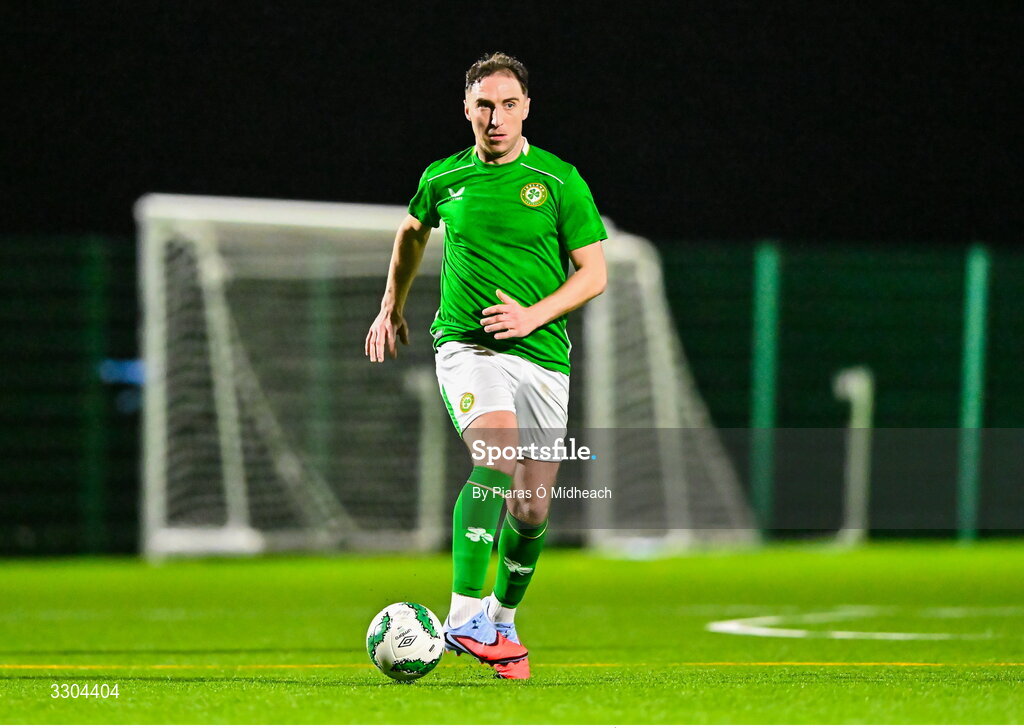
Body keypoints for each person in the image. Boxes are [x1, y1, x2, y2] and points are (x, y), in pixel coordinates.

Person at [365, 52, 607, 679]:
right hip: (467, 348)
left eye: (507, 105)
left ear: (526, 108)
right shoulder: (444, 178)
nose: (494, 117)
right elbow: (412, 232)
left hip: (544, 356)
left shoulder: (557, 181)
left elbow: (594, 273)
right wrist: (391, 306)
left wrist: (532, 315)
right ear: (466, 108)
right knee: (494, 457)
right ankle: (465, 614)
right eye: (483, 105)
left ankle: (501, 619)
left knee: (532, 509)